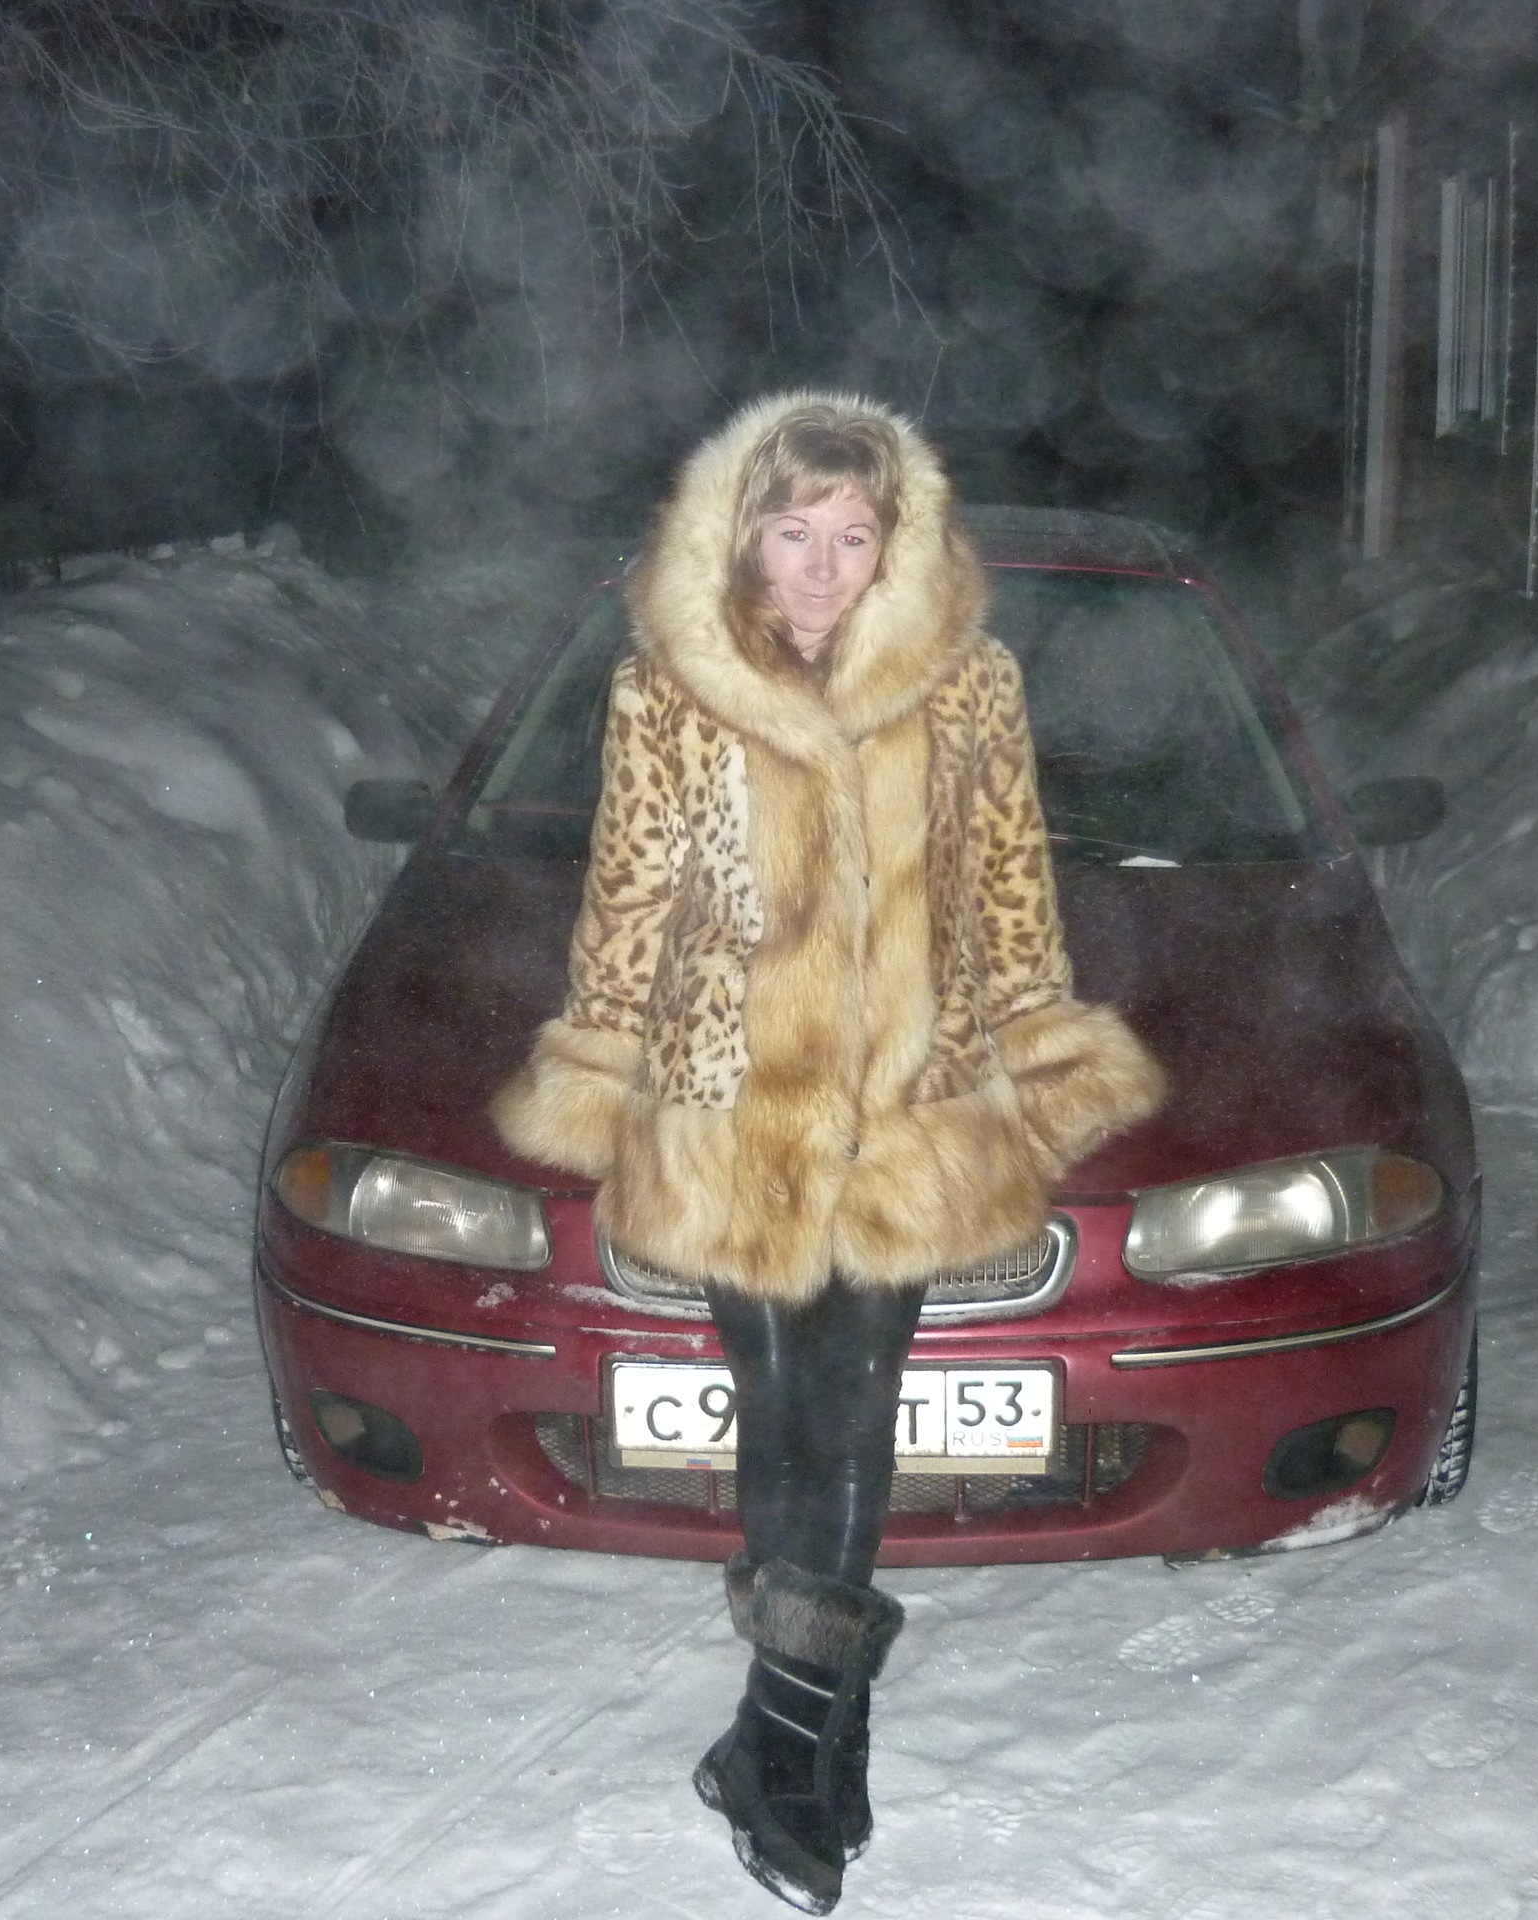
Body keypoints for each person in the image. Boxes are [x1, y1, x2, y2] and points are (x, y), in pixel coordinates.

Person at [492, 392, 1163, 1913]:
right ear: (744, 535)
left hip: (912, 1109)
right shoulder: (668, 685)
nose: (819, 568)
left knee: (856, 1424)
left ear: (895, 545)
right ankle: (811, 1744)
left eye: (852, 537)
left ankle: (784, 1742)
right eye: (792, 532)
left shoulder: (970, 683)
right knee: (782, 1419)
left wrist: (1038, 1051)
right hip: (733, 1109)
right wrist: (599, 1067)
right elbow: (627, 902)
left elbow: (1010, 890)